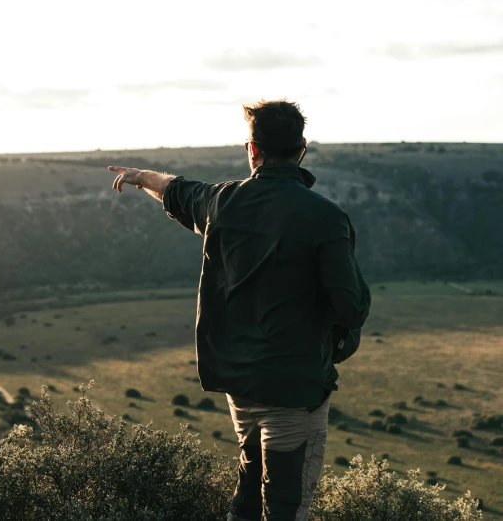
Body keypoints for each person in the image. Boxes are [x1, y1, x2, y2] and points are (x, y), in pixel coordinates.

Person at [107, 99, 371, 521]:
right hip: (294, 387)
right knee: (286, 505)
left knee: (249, 497)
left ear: (253, 150)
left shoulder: (221, 202)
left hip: (240, 386)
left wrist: (140, 178)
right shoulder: (326, 217)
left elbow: (174, 187)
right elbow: (351, 306)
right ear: (302, 147)